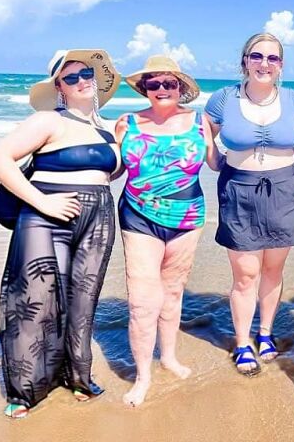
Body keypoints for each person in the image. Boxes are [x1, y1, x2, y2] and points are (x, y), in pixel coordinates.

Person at [0, 49, 121, 419]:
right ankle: (25, 392)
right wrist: (44, 204)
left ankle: (78, 377)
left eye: (86, 74)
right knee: (36, 302)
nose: (81, 81)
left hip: (98, 217)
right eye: (71, 77)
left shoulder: (107, 127)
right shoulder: (48, 120)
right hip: (47, 218)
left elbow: (105, 175)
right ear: (59, 87)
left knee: (83, 301)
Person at [115, 55, 221, 406]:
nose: (161, 89)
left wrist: (260, 152)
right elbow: (111, 169)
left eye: (169, 83)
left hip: (187, 217)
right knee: (142, 302)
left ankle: (169, 357)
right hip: (138, 216)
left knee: (173, 293)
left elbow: (217, 162)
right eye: (154, 84)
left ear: (180, 88)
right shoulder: (126, 123)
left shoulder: (201, 122)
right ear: (145, 88)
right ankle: (142, 376)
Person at [204, 33, 294, 374]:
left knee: (273, 269)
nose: (264, 64)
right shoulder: (223, 99)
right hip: (238, 189)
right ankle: (242, 342)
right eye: (257, 56)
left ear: (281, 65)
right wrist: (215, 158)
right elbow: (206, 135)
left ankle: (265, 333)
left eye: (273, 58)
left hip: (284, 190)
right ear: (245, 60)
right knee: (246, 274)